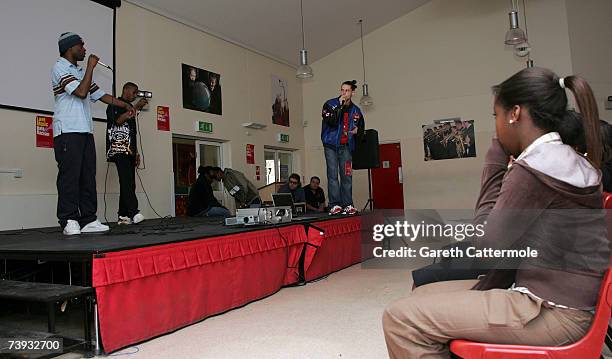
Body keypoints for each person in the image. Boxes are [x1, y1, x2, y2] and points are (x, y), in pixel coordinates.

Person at [383, 67, 609, 359]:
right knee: (421, 295)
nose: (497, 126)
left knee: (400, 318)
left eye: (496, 116)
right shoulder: (565, 159)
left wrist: (495, 160)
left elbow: (486, 246)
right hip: (566, 303)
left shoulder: (536, 167)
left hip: (552, 312)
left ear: (514, 113)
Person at [52, 32, 134, 235]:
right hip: (67, 130)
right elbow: (80, 93)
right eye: (81, 45)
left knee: (88, 175)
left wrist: (126, 105)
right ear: (70, 48)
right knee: (70, 176)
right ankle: (69, 219)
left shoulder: (80, 71)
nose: (85, 48)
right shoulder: (60, 67)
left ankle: (88, 219)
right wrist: (90, 67)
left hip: (85, 131)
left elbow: (101, 95)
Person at [106, 82, 148, 225]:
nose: (136, 95)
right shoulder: (114, 104)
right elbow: (118, 121)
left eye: (137, 93)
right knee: (126, 181)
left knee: (129, 183)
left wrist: (135, 152)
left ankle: (123, 215)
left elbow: (132, 133)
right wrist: (136, 107)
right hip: (119, 149)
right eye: (134, 92)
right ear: (126, 90)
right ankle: (134, 212)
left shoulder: (130, 107)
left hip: (129, 150)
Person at [321, 80, 365, 215]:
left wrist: (358, 131)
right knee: (333, 175)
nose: (344, 93)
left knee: (346, 176)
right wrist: (339, 105)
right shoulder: (330, 104)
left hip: (346, 146)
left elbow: (362, 128)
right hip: (331, 145)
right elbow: (332, 121)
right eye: (342, 90)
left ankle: (348, 204)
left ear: (352, 92)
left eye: (347, 91)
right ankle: (334, 205)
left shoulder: (356, 110)